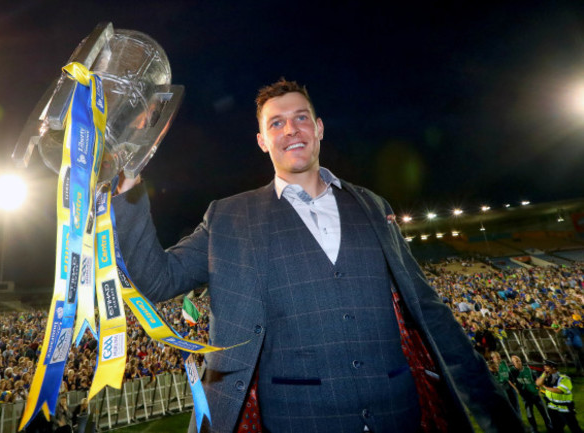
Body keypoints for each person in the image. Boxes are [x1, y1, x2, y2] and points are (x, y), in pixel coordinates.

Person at [113, 79, 524, 432]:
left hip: (399, 414)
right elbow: (157, 279)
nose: (291, 129)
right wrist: (128, 185)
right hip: (296, 418)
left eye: (301, 117)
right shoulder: (229, 216)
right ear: (262, 141)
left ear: (320, 128)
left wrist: (496, 415)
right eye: (276, 123)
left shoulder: (371, 206)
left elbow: (430, 313)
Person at [536, 359, 582, 433]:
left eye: (547, 367)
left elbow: (559, 390)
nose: (545, 368)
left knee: (574, 428)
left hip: (565, 408)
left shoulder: (564, 378)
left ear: (553, 368)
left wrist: (545, 387)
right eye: (544, 367)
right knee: (556, 428)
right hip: (552, 407)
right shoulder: (546, 376)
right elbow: (538, 383)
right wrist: (544, 375)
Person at [509, 355, 552, 433]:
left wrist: (538, 389)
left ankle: (550, 427)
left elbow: (536, 379)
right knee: (530, 414)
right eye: (516, 361)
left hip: (535, 394)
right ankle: (534, 429)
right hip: (525, 396)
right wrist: (516, 389)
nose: (518, 363)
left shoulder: (528, 369)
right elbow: (508, 380)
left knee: (544, 412)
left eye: (519, 360)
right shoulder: (512, 371)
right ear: (513, 363)